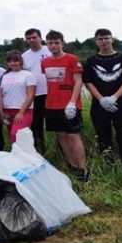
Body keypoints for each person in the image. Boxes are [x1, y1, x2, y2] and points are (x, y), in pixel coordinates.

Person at [83, 28, 122, 168]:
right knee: (103, 136)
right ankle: (109, 165)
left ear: (112, 39)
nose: (104, 41)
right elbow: (88, 82)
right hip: (99, 106)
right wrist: (101, 99)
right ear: (96, 42)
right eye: (100, 39)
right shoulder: (91, 61)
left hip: (121, 104)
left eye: (106, 38)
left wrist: (114, 97)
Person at [41, 30, 89, 181]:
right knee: (61, 135)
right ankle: (72, 165)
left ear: (62, 43)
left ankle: (83, 169)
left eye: (56, 42)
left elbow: (78, 81)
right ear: (46, 44)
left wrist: (72, 102)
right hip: (52, 104)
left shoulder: (72, 59)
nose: (53, 46)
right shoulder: (45, 62)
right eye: (50, 43)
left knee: (73, 135)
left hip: (69, 105)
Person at [22, 28, 51, 152]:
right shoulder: (24, 56)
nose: (32, 40)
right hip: (34, 95)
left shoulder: (49, 50)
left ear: (40, 37)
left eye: (34, 37)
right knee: (36, 125)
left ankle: (63, 153)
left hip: (51, 93)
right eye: (29, 38)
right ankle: (40, 150)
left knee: (56, 125)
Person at [0, 51, 36, 145]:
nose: (13, 63)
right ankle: (17, 157)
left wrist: (21, 113)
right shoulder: (5, 76)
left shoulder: (28, 75)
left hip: (24, 111)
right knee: (12, 139)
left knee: (16, 134)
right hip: (8, 111)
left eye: (15, 61)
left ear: (21, 62)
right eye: (10, 61)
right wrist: (1, 112)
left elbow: (30, 95)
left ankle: (26, 157)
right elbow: (1, 95)